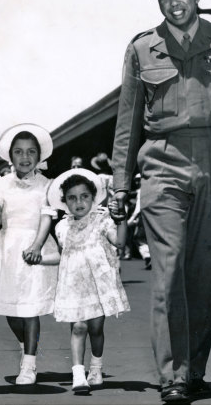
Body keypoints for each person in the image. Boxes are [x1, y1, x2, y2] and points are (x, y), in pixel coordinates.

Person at [110, 0, 211, 401]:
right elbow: (127, 120)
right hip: (162, 161)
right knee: (170, 269)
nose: (174, 3)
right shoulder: (143, 48)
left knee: (205, 272)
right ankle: (173, 375)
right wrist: (121, 185)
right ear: (157, 1)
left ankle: (194, 368)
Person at [0, 124, 60, 385]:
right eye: (18, 152)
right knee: (11, 309)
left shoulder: (47, 186)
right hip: (7, 250)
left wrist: (37, 246)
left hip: (33, 247)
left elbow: (47, 218)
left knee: (30, 309)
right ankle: (27, 344)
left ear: (39, 156)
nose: (24, 157)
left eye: (30, 152)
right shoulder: (0, 185)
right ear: (10, 156)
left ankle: (29, 364)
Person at [47, 168, 130, 392]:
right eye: (72, 198)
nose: (79, 202)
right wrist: (39, 260)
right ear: (65, 203)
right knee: (78, 328)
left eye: (84, 196)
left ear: (93, 198)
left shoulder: (102, 220)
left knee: (95, 329)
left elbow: (119, 243)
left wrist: (120, 220)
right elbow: (63, 255)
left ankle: (96, 367)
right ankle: (78, 374)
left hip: (97, 284)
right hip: (74, 285)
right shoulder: (62, 227)